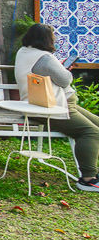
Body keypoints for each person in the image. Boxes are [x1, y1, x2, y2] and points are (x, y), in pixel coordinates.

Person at [15, 23, 99, 192]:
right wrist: (64, 69)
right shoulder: (45, 58)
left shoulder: (24, 52)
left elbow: (45, 71)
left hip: (50, 103)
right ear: (47, 40)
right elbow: (65, 80)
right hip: (53, 107)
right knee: (90, 132)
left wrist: (58, 67)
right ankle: (87, 179)